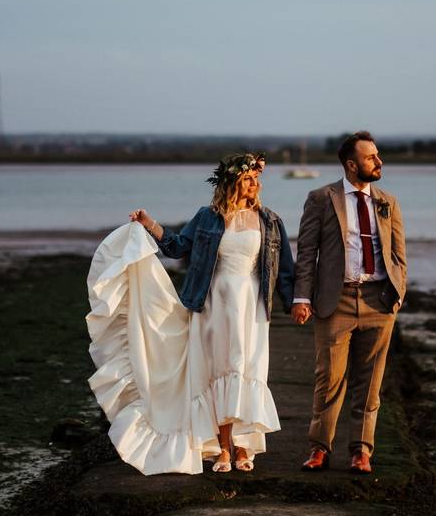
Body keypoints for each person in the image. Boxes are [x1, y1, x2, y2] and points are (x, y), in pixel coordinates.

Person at [126, 152, 295, 473]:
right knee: (218, 372)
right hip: (213, 304)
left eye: (257, 179)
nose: (255, 184)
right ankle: (223, 448)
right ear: (232, 182)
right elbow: (176, 247)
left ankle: (244, 446)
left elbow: (285, 267)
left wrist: (296, 301)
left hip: (252, 306)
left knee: (248, 371)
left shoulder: (270, 221)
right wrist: (149, 224)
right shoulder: (207, 217)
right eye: (248, 179)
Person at [291, 131, 408, 474]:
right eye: (372, 157)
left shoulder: (388, 202)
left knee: (370, 381)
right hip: (335, 300)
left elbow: (399, 254)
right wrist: (302, 297)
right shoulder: (321, 198)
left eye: (378, 155)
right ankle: (319, 449)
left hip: (379, 301)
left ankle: (360, 451)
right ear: (351, 164)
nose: (379, 162)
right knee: (329, 378)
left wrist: (398, 292)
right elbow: (307, 252)